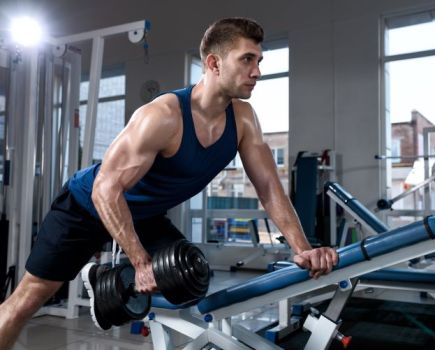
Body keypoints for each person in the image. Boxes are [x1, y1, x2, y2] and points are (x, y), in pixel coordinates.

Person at [0, 17, 338, 348]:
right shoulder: (162, 116)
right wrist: (141, 263)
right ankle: (115, 279)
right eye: (247, 60)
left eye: (259, 61)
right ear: (214, 63)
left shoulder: (244, 119)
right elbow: (106, 188)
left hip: (143, 215)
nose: (257, 71)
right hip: (87, 206)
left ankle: (110, 284)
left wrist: (303, 249)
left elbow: (268, 189)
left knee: (187, 276)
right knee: (28, 300)